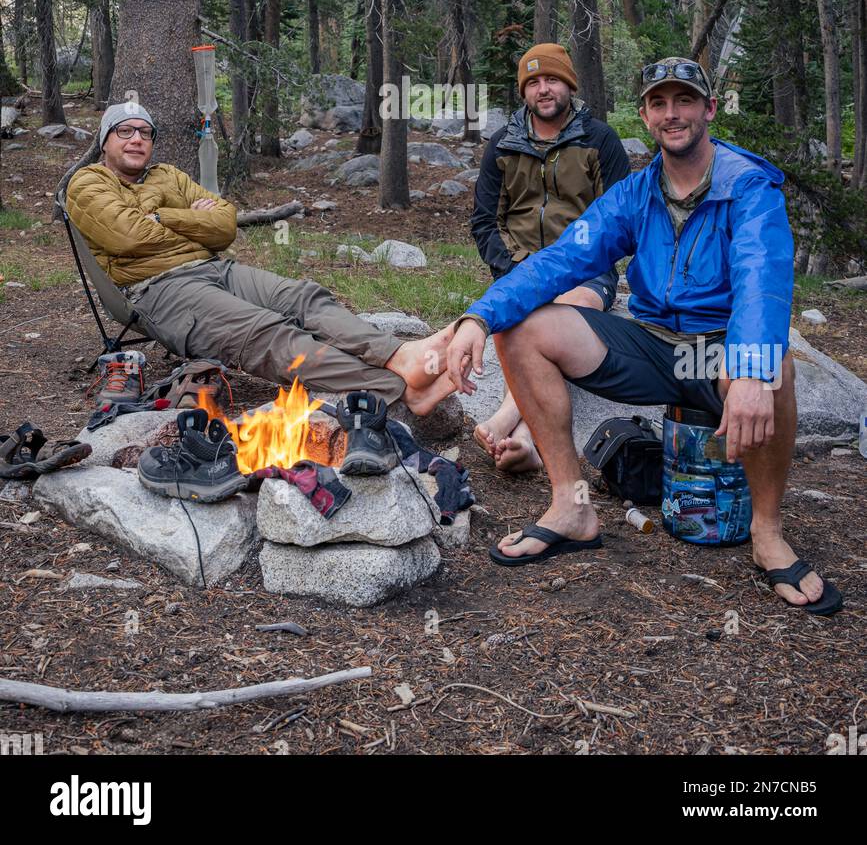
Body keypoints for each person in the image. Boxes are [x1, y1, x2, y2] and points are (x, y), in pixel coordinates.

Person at [446, 57, 842, 614]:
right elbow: (562, 259)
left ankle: (767, 532)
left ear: (708, 109)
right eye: (659, 103)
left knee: (773, 369)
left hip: (715, 350)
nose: (672, 114)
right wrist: (479, 317)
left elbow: (762, 281)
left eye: (684, 101)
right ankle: (571, 506)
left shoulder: (749, 187)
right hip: (654, 345)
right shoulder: (636, 193)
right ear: (646, 115)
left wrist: (749, 368)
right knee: (523, 329)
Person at [67, 104, 456, 427]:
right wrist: (189, 221)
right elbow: (129, 237)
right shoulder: (87, 183)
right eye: (124, 131)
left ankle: (399, 355)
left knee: (304, 297)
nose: (136, 139)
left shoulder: (168, 175)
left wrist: (161, 217)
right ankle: (402, 387)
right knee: (268, 333)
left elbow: (224, 225)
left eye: (145, 132)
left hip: (215, 268)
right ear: (105, 141)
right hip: (161, 289)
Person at [470, 43, 629, 471]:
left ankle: (508, 417)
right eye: (533, 81)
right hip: (520, 267)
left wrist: (583, 266)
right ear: (524, 91)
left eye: (552, 79)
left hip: (585, 273)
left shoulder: (600, 140)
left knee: (566, 314)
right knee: (525, 315)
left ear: (569, 85)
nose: (543, 89)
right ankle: (526, 441)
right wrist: (516, 274)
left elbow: (622, 219)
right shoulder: (503, 145)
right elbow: (485, 222)